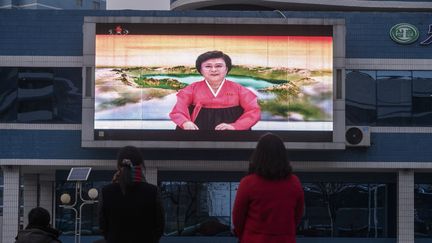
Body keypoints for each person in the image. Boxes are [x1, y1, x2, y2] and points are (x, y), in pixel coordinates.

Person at [232, 133, 304, 243]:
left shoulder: (248, 183)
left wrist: (245, 236)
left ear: (258, 155)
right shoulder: (294, 183)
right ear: (283, 155)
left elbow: (238, 219)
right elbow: (297, 216)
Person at [169, 50, 261, 130]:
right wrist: (185, 123)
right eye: (208, 66)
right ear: (200, 70)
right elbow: (178, 110)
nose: (213, 70)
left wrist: (235, 126)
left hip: (231, 131)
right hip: (197, 130)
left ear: (226, 69)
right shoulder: (191, 89)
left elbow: (253, 111)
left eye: (218, 66)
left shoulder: (239, 89)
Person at [98, 146, 165, 243]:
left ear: (118, 165)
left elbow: (103, 227)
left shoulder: (106, 192)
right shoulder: (153, 191)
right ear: (141, 165)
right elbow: (160, 226)